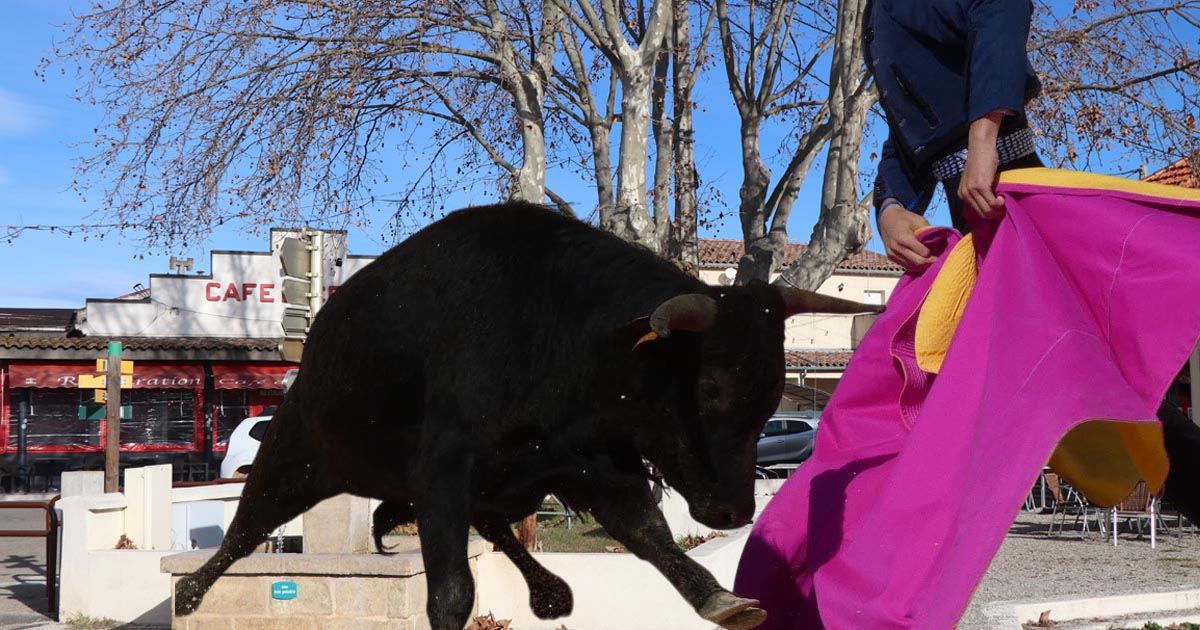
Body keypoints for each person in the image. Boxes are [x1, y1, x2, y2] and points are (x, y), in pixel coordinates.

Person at [867, 0, 1042, 267]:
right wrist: (890, 207)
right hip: (967, 213)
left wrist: (983, 138)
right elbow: (907, 130)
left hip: (1009, 190)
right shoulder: (873, 15)